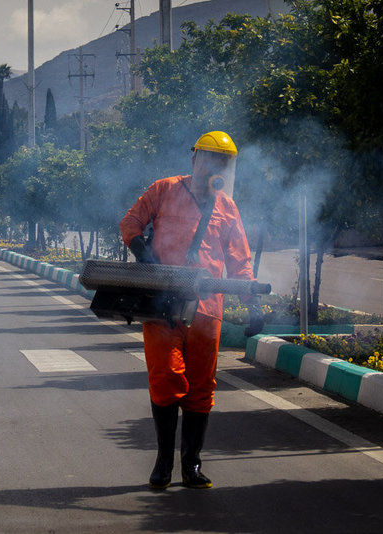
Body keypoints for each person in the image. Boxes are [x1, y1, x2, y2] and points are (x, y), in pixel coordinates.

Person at [119, 130, 263, 489]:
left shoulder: (227, 206)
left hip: (207, 307)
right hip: (162, 303)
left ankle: (192, 465)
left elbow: (240, 260)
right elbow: (130, 223)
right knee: (166, 377)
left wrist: (252, 302)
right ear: (194, 158)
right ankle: (163, 462)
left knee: (201, 386)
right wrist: (146, 256)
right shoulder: (164, 189)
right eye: (209, 157)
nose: (215, 165)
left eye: (223, 160)